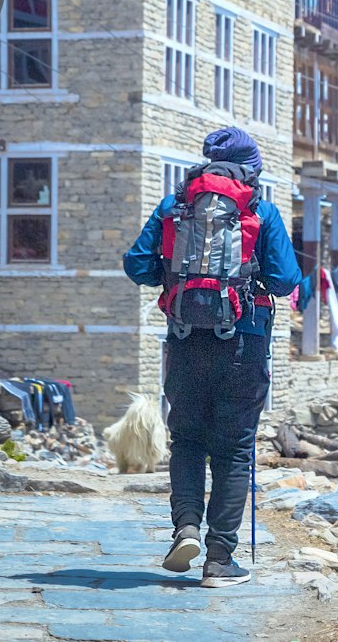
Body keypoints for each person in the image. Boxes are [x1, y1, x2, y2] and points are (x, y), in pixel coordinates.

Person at [123, 126, 300, 588]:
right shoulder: (260, 210)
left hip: (185, 340)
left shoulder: (175, 206)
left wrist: (176, 271)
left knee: (187, 441)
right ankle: (220, 559)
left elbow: (136, 265)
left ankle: (185, 529)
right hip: (243, 342)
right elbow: (285, 280)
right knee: (234, 448)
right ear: (252, 168)